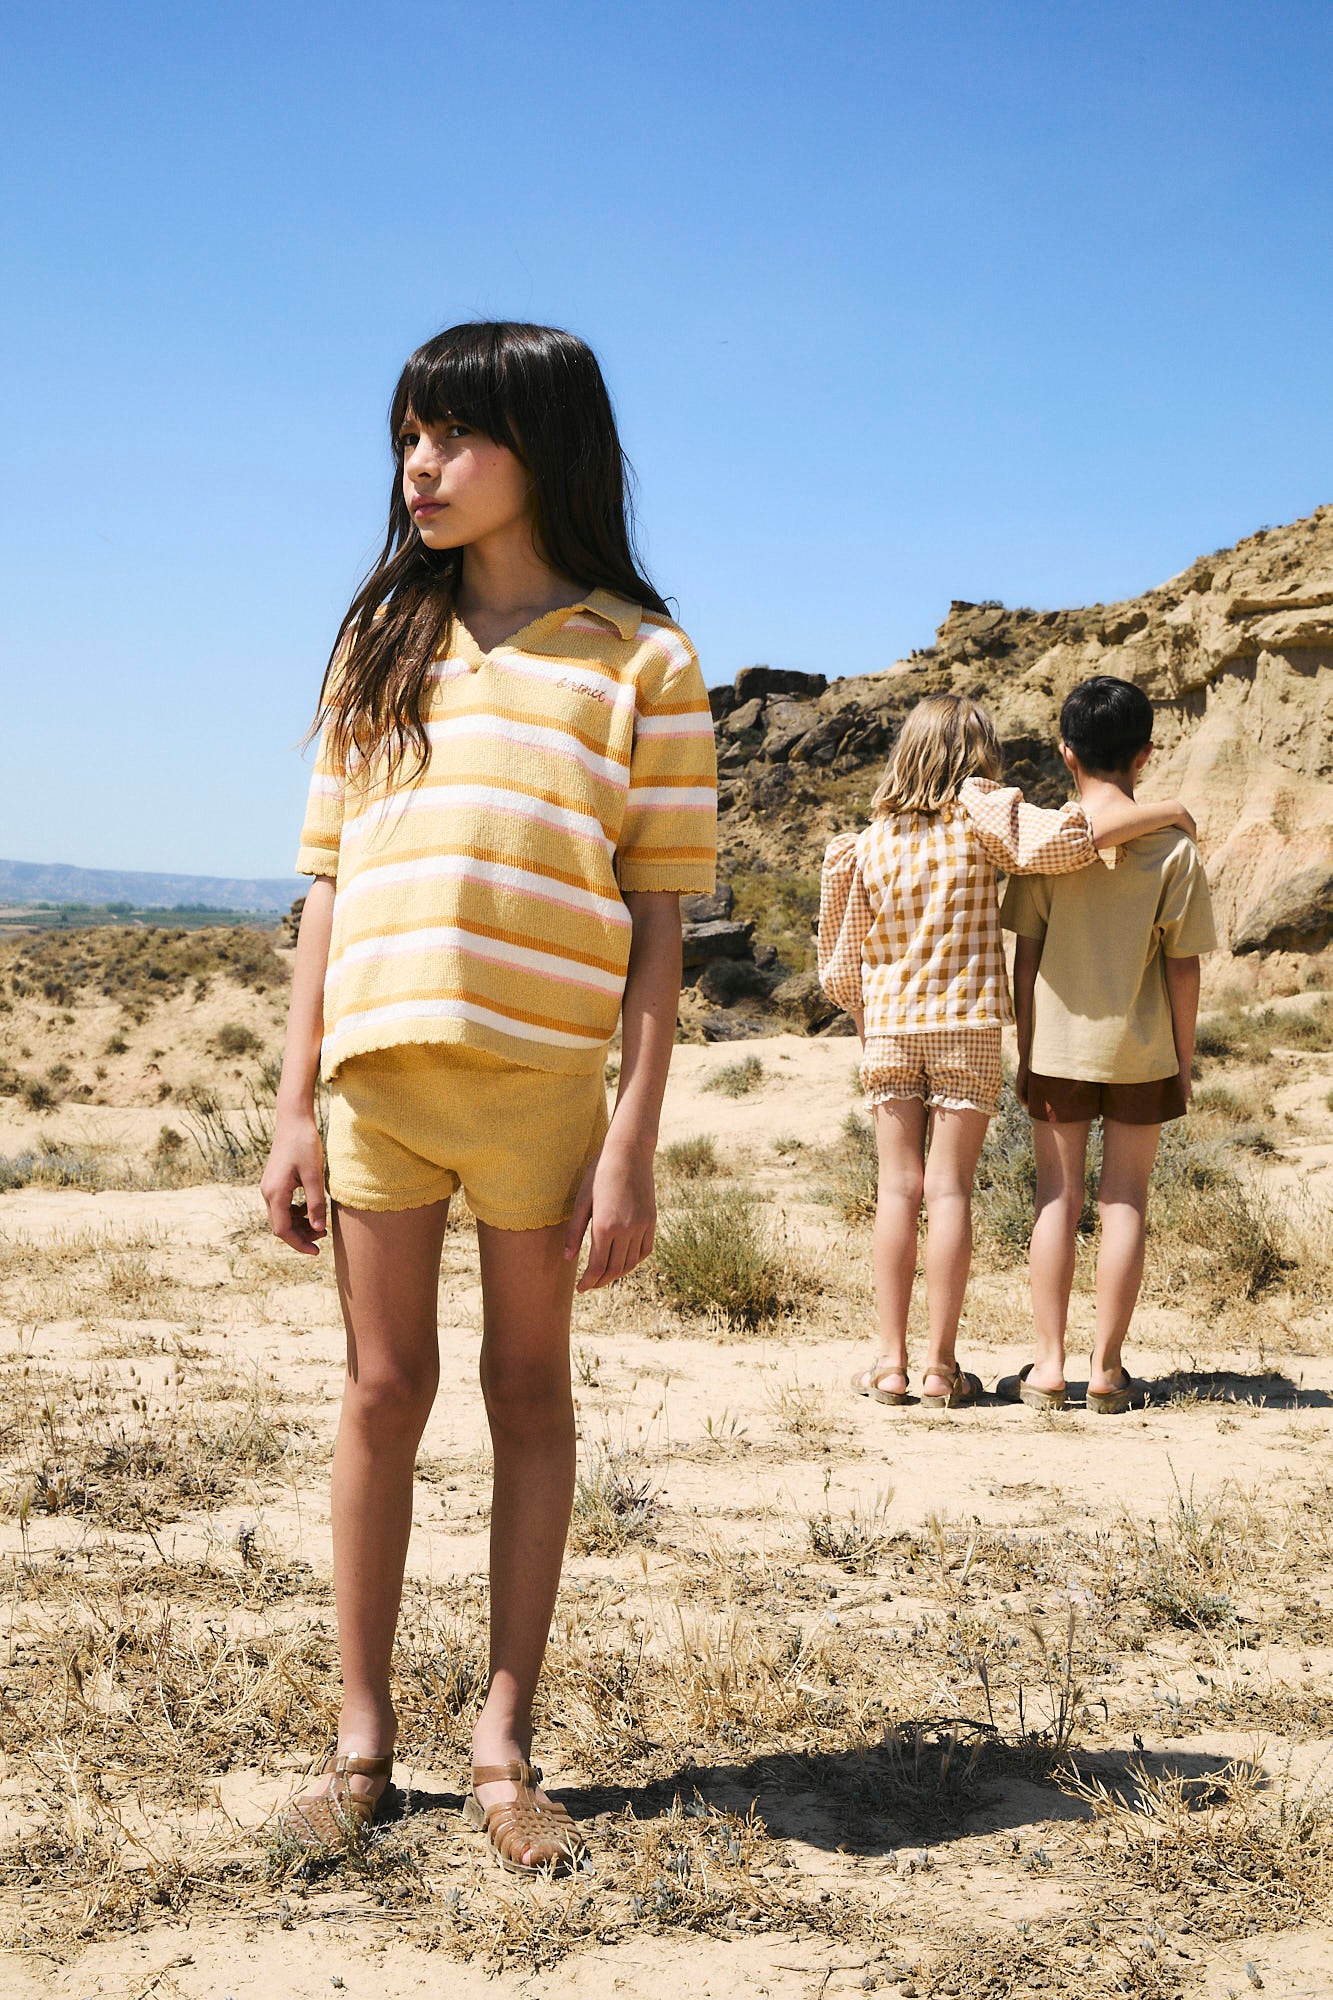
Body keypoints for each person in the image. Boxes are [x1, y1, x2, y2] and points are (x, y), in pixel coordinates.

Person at [259, 322, 717, 1872]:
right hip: (377, 1075)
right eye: (408, 436)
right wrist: (294, 1104)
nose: (421, 466)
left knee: (528, 1394)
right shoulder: (379, 642)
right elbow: (327, 885)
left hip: (542, 1089)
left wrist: (633, 1140)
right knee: (381, 1393)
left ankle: (505, 1751)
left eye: (454, 436)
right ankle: (361, 1744)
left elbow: (657, 922)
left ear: (546, 449)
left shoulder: (642, 658)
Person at [817, 694, 1195, 1411]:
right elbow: (1072, 837)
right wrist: (1167, 811)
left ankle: (891, 1364)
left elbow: (841, 969)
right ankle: (939, 1370)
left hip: (889, 1029)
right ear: (977, 760)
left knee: (895, 1190)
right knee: (948, 1190)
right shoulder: (981, 819)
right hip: (964, 1028)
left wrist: (871, 1029)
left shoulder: (861, 846)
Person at [999, 676, 1215, 1415]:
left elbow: (1025, 957)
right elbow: (1183, 967)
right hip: (1140, 1050)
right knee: (1125, 1199)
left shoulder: (1045, 847)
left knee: (1055, 1199)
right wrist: (1181, 1060)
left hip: (1056, 1049)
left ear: (1066, 753)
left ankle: (1048, 1367)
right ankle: (1106, 1369)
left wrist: (1028, 1046)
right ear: (1145, 754)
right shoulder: (1174, 850)